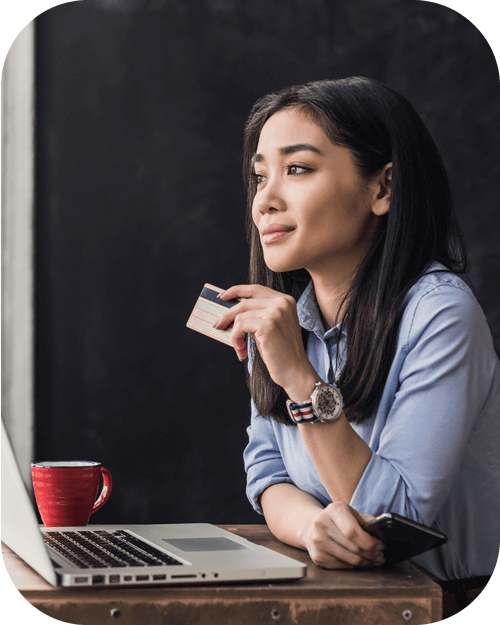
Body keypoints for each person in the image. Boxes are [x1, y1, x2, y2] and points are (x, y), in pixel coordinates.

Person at [214, 77, 499, 616]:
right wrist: (313, 528)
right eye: (259, 176)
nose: (265, 200)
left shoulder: (440, 313)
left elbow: (392, 522)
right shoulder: (287, 320)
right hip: (340, 605)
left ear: (383, 188)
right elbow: (267, 474)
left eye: (297, 169)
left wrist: (301, 379)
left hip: (438, 606)